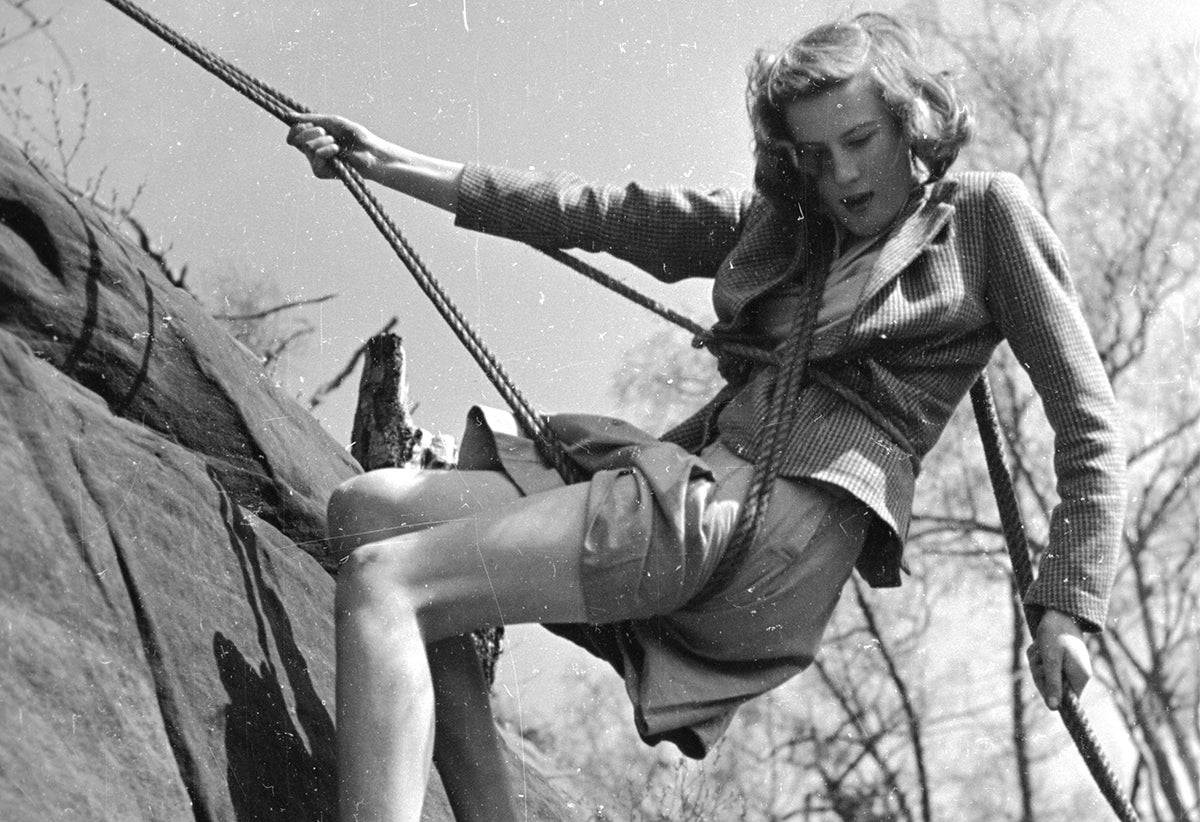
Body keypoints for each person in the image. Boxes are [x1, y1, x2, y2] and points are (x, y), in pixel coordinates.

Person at [288, 12, 1126, 822]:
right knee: (365, 516)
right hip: (700, 484)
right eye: (814, 156)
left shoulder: (984, 215)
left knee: (386, 585)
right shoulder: (790, 230)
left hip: (776, 517)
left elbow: (1089, 421)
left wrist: (1068, 605)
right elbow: (595, 212)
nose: (841, 176)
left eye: (860, 141)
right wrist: (386, 163)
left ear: (912, 122)